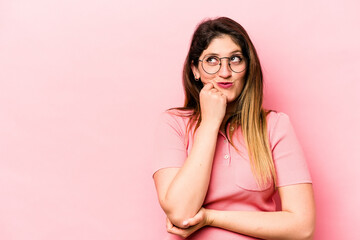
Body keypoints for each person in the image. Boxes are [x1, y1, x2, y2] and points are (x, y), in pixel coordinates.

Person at [152, 17, 315, 240]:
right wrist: (209, 124)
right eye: (211, 60)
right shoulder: (173, 123)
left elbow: (302, 226)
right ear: (195, 70)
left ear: (248, 67)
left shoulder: (276, 126)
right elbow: (181, 213)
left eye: (235, 59)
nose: (225, 72)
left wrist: (210, 217)